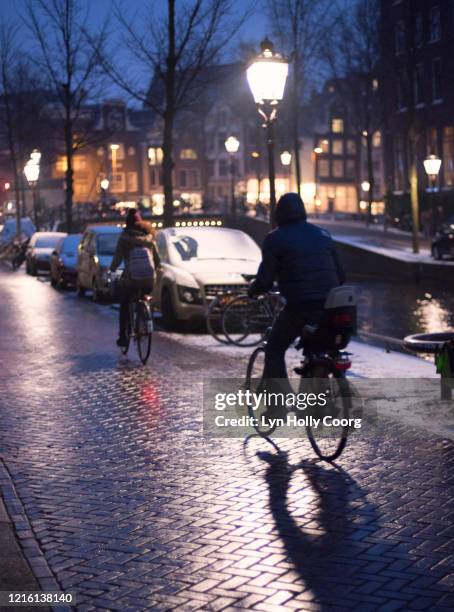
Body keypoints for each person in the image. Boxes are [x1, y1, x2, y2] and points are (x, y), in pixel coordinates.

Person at [249, 192, 345, 385]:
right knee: (322, 347)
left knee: (275, 348)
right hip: (330, 307)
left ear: (279, 214)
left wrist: (254, 290)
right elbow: (341, 276)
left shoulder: (274, 239)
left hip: (298, 307)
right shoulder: (323, 235)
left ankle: (279, 398)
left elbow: (265, 280)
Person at [110, 209, 158, 347]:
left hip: (131, 279)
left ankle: (123, 337)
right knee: (145, 295)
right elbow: (157, 259)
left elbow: (117, 258)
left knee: (124, 304)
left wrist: (112, 269)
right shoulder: (150, 237)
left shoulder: (124, 238)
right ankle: (145, 317)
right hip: (149, 279)